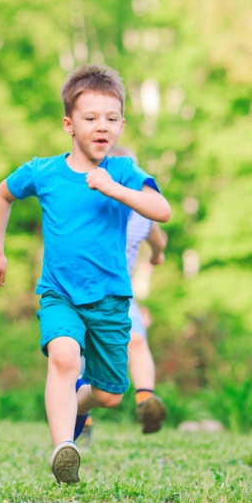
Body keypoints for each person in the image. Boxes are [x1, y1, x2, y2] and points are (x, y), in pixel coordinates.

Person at [0, 64, 171, 484]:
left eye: (111, 118)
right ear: (69, 124)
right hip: (59, 293)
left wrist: (113, 188)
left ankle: (80, 408)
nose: (102, 127)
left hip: (110, 299)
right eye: (90, 118)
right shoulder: (44, 172)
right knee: (64, 358)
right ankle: (63, 447)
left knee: (109, 394)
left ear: (122, 123)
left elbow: (162, 211)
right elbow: (2, 194)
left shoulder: (123, 172)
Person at [82, 146, 168, 441]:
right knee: (125, 343)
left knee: (128, 341)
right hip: (95, 291)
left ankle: (141, 403)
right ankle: (138, 398)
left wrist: (157, 254)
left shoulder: (135, 213)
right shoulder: (129, 212)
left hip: (112, 291)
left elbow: (156, 237)